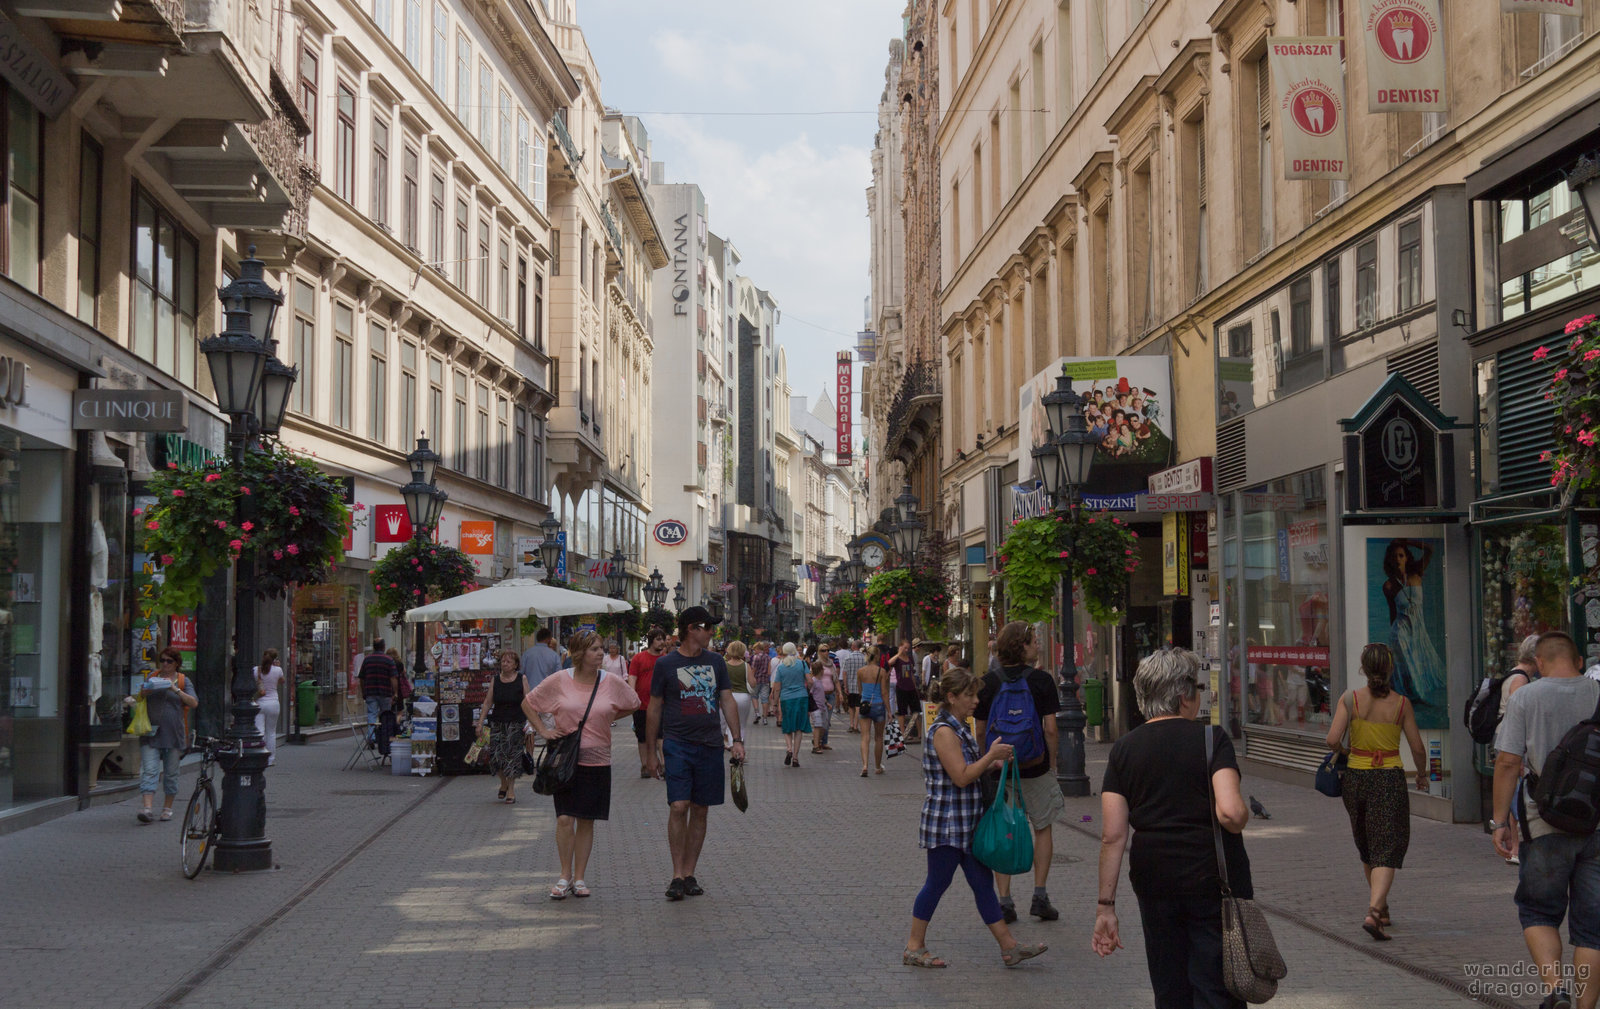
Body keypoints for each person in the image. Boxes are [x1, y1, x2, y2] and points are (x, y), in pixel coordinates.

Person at [1093, 648, 1253, 1009]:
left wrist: (1106, 907)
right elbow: (1230, 812)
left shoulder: (1123, 750)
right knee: (1217, 987)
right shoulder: (1212, 740)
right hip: (1212, 880)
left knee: (1170, 987)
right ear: (1184, 695)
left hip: (1154, 880)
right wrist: (1244, 814)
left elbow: (1113, 835)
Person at [902, 666, 1047, 969]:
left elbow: (970, 769)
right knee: (936, 883)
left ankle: (1009, 947)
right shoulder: (943, 731)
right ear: (952, 697)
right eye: (969, 695)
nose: (976, 701)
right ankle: (914, 946)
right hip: (948, 824)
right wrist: (990, 757)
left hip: (967, 822)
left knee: (982, 885)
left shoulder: (958, 727)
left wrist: (992, 764)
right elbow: (962, 776)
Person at [1493, 631, 1600, 1009]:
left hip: (1543, 822)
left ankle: (1556, 990)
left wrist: (1499, 822)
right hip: (1596, 826)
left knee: (1539, 910)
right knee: (1593, 930)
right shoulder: (1598, 694)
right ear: (1580, 662)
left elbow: (1507, 762)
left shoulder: (1526, 697)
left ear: (1539, 663)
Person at [524, 630, 639, 900]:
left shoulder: (611, 681)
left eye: (601, 648)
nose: (600, 653)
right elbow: (528, 703)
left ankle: (579, 877)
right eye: (594, 649)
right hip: (565, 758)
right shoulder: (560, 680)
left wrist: (611, 713)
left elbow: (634, 703)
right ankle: (564, 875)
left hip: (598, 760)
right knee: (565, 818)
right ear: (579, 653)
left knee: (587, 821)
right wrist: (543, 730)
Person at [1324, 643, 1427, 941]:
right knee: (1386, 848)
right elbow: (1417, 747)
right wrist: (1420, 775)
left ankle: (1382, 909)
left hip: (1356, 778)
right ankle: (1373, 910)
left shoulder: (1350, 699)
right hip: (1388, 779)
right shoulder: (1401, 704)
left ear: (1363, 669)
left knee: (1368, 845)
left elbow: (1332, 739)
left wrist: (1346, 751)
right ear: (1391, 669)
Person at [644, 606, 744, 901]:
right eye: (708, 627)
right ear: (692, 629)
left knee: (700, 809)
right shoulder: (666, 664)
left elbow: (727, 700)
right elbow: (654, 707)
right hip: (677, 743)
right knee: (679, 806)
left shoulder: (716, 662)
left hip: (710, 744)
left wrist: (737, 739)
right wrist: (651, 752)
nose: (712, 632)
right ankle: (676, 874)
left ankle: (689, 873)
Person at [974, 621, 1063, 924]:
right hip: (1035, 767)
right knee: (1043, 827)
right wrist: (1052, 763)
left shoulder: (987, 683)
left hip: (1001, 769)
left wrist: (987, 761)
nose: (1038, 644)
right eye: (1034, 640)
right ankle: (1040, 895)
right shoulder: (1042, 681)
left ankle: (1004, 901)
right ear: (1021, 646)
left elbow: (981, 730)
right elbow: (1050, 729)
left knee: (1004, 830)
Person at [137, 648, 198, 823]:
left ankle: (167, 808)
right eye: (162, 660)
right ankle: (147, 809)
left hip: (174, 734)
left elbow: (194, 703)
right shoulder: (152, 677)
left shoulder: (182, 680)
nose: (164, 664)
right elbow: (139, 697)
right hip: (151, 733)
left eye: (169, 661)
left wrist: (175, 689)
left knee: (171, 774)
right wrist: (143, 693)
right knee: (149, 771)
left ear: (176, 663)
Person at [1382, 538, 1445, 702]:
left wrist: (1406, 541)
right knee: (1409, 667)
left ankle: (1412, 700)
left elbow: (1430, 548)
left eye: (1401, 555)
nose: (1397, 559)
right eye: (1394, 556)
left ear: (1407, 557)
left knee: (1422, 666)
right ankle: (1417, 700)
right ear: (1389, 559)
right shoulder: (1388, 585)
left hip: (1418, 629)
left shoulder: (1416, 574)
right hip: (1400, 631)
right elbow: (1392, 611)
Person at [477, 650, 533, 804]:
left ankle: (511, 790)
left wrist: (531, 721)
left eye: (508, 661)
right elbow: (488, 702)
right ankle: (503, 782)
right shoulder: (496, 680)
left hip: (516, 723)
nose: (505, 664)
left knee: (513, 757)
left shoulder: (522, 679)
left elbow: (528, 701)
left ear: (515, 665)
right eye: (503, 661)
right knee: (496, 757)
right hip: (498, 723)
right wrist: (480, 722)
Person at [627, 628, 667, 778]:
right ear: (651, 641)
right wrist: (632, 696)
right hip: (641, 704)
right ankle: (644, 765)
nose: (662, 642)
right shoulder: (639, 658)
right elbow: (632, 677)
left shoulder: (665, 659)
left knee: (661, 735)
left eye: (662, 639)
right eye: (658, 639)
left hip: (661, 704)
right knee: (642, 736)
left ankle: (664, 764)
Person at [772, 642, 813, 767]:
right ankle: (795, 757)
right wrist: (807, 690)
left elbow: (777, 687)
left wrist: (774, 704)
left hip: (786, 699)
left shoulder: (781, 667)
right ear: (795, 651)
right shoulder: (801, 664)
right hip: (801, 697)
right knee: (799, 728)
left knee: (787, 724)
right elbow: (810, 681)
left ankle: (789, 748)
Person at [858, 646, 889, 775]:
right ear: (878, 657)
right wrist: (890, 710)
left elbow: (860, 690)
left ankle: (865, 765)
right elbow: (884, 692)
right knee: (878, 737)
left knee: (865, 737)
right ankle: (877, 766)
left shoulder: (861, 671)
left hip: (865, 705)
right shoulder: (881, 672)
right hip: (878, 706)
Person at [357, 639, 400, 726]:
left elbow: (361, 678)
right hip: (385, 692)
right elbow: (393, 678)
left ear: (374, 647)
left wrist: (363, 692)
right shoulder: (388, 660)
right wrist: (395, 693)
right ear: (384, 647)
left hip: (370, 692)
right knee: (385, 715)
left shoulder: (367, 659)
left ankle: (371, 736)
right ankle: (384, 734)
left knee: (371, 714)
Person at [253, 648, 284, 766]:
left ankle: (258, 756)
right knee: (271, 732)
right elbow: (282, 681)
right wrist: (277, 667)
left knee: (260, 730)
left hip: (260, 703)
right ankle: (270, 759)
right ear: (274, 659)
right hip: (273, 703)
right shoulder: (278, 670)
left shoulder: (256, 670)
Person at [890, 640, 921, 745]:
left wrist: (915, 686)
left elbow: (911, 673)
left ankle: (919, 734)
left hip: (911, 688)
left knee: (916, 711)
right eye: (905, 648)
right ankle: (903, 733)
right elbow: (889, 663)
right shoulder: (897, 659)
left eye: (908, 648)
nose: (907, 650)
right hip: (901, 688)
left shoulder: (909, 658)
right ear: (900, 647)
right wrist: (899, 653)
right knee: (902, 712)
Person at [723, 641, 753, 747]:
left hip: (728, 696)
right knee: (742, 725)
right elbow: (753, 683)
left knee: (729, 724)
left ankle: (732, 747)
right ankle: (740, 749)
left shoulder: (724, 665)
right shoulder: (746, 666)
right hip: (743, 697)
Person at [838, 638, 865, 733]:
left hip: (850, 685)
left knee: (851, 706)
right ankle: (856, 726)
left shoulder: (848, 658)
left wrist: (845, 686)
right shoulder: (864, 658)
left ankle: (851, 724)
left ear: (853, 647)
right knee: (858, 706)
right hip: (860, 686)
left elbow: (844, 673)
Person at [810, 659, 834, 754]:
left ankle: (816, 739)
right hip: (816, 708)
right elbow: (811, 694)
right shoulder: (813, 681)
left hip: (823, 707)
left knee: (825, 725)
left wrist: (826, 703)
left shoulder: (819, 681)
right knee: (818, 725)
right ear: (821, 671)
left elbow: (821, 694)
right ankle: (816, 746)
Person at [750, 639, 773, 725]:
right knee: (764, 699)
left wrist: (750, 679)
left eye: (754, 649)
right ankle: (765, 718)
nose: (754, 651)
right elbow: (769, 671)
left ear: (758, 648)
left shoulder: (756, 657)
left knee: (754, 696)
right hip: (765, 681)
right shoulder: (768, 657)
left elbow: (753, 670)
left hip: (756, 680)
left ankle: (757, 713)